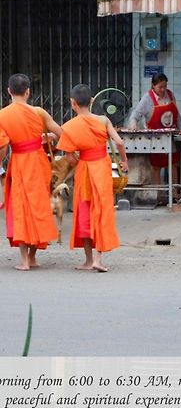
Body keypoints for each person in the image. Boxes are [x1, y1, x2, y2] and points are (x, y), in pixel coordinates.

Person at [57, 84, 129, 272]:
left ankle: (88, 261)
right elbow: (119, 142)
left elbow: (70, 156)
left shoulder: (69, 127)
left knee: (84, 211)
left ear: (72, 103)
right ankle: (98, 258)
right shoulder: (103, 120)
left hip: (84, 171)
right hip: (102, 168)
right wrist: (124, 161)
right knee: (102, 210)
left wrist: (79, 158)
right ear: (92, 101)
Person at [0, 73, 62, 270]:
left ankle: (25, 261)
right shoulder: (39, 112)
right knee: (38, 207)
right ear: (28, 92)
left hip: (19, 162)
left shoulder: (3, 115)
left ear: (8, 91)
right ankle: (33, 258)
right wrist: (50, 138)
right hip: (38, 162)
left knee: (21, 208)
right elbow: (61, 133)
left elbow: (2, 147)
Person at [128, 73, 181, 204]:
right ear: (153, 86)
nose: (163, 90)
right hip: (155, 138)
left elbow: (177, 115)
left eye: (165, 86)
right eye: (160, 87)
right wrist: (133, 123)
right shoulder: (147, 99)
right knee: (156, 166)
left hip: (171, 136)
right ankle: (158, 196)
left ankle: (175, 193)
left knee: (174, 164)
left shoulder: (170, 95)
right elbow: (135, 114)